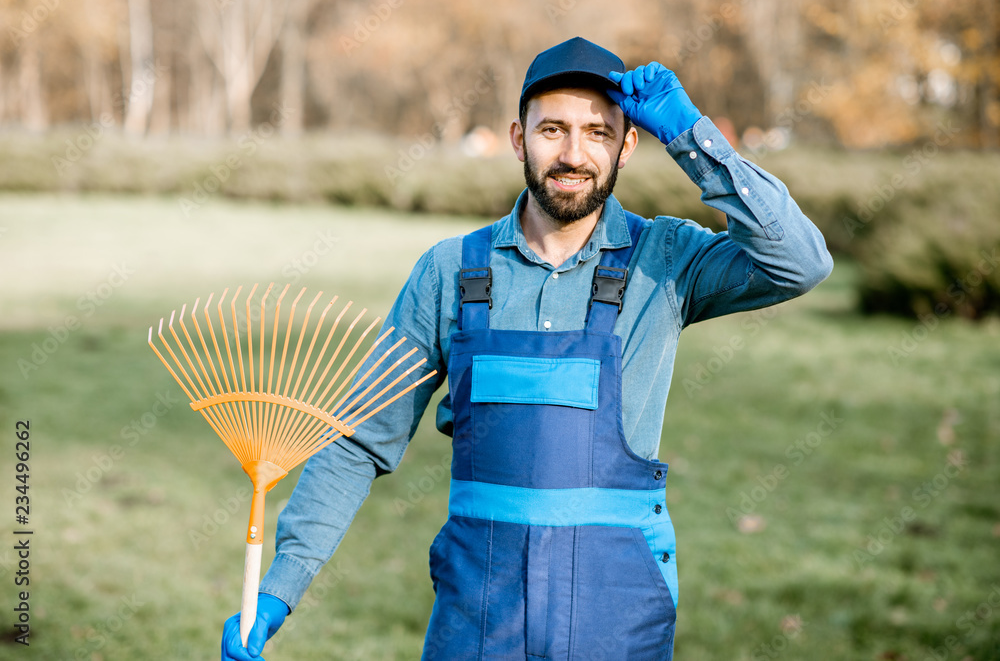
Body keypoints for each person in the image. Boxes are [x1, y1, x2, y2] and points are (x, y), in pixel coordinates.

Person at [221, 36, 833, 660]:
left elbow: (800, 262)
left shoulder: (667, 262)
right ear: (518, 139)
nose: (573, 153)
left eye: (598, 132)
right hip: (479, 621)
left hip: (614, 619)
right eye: (553, 129)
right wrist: (282, 585)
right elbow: (357, 442)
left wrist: (692, 135)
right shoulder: (449, 273)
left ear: (628, 145)